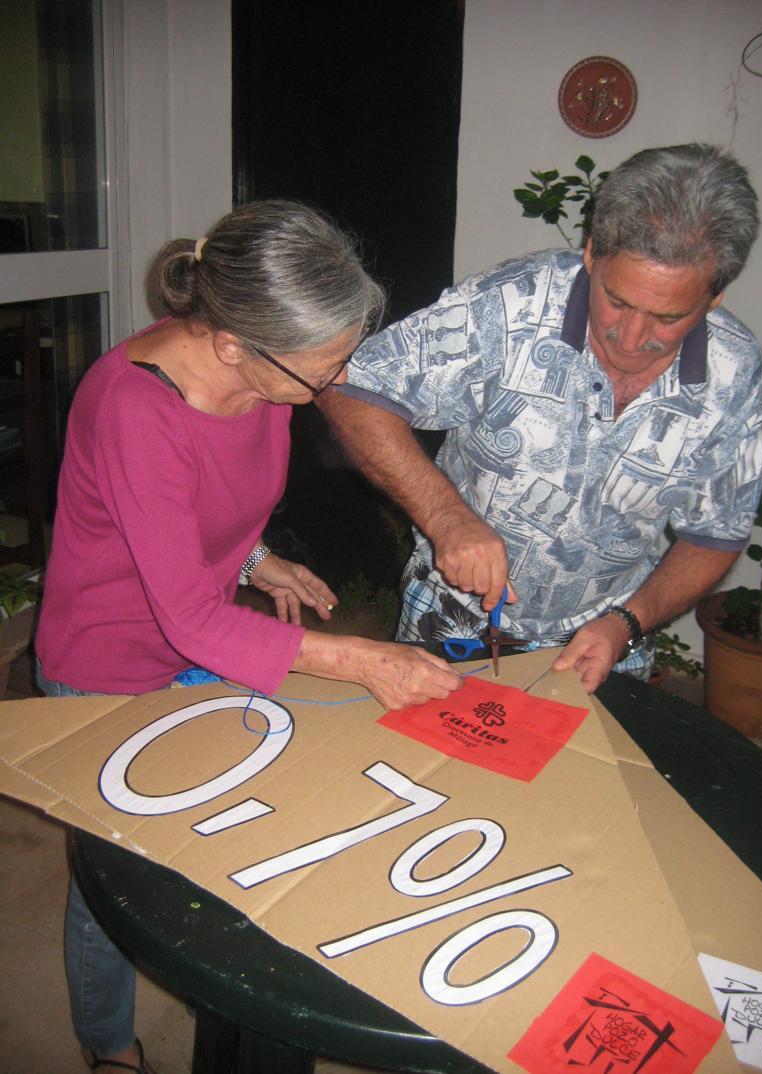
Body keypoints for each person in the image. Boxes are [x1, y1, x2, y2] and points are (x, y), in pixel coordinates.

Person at [35, 199, 462, 1074]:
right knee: (115, 881)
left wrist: (259, 558)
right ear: (234, 343)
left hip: (195, 645)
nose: (336, 382)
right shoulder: (133, 407)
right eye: (326, 366)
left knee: (218, 837)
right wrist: (362, 657)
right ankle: (106, 1044)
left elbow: (208, 511)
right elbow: (184, 610)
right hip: (105, 665)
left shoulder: (260, 374)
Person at [318, 144, 762, 694]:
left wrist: (627, 623)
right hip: (453, 623)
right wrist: (447, 518)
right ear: (591, 253)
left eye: (667, 318)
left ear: (714, 298)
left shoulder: (735, 373)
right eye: (617, 300)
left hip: (604, 641)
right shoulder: (509, 307)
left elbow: (716, 535)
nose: (628, 338)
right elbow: (350, 388)